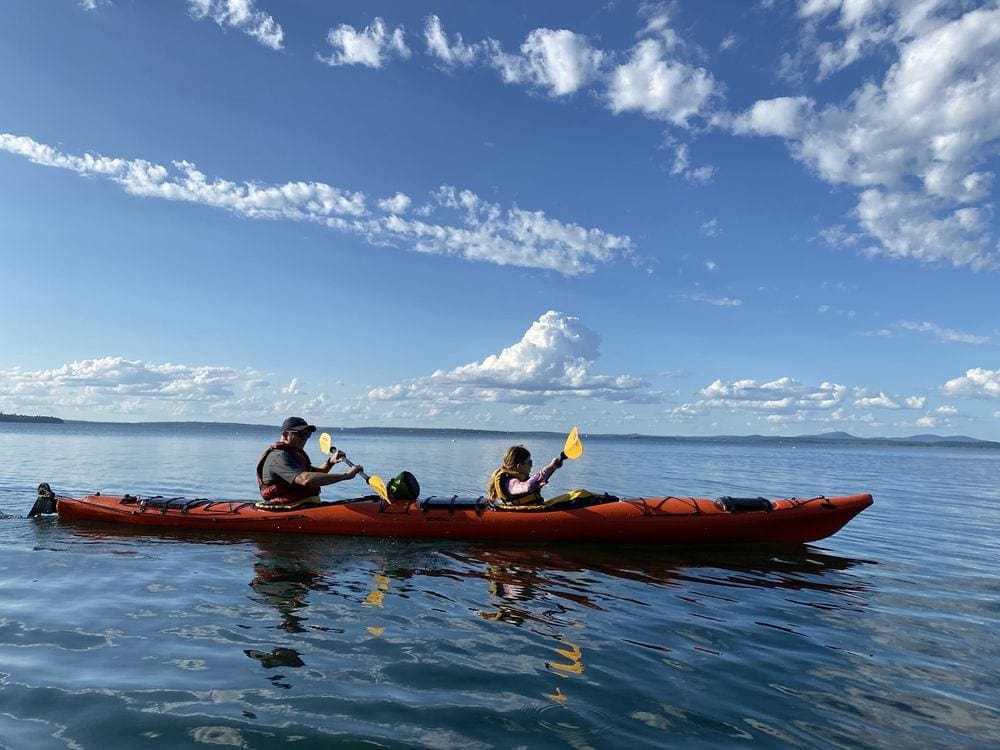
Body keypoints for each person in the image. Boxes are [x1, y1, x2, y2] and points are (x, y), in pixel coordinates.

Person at [256, 417, 364, 507]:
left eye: (307, 434)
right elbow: (306, 479)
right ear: (285, 435)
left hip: (302, 504)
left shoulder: (294, 454)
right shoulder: (279, 457)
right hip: (285, 507)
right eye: (301, 434)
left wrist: (330, 462)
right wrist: (346, 476)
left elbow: (316, 474)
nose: (305, 438)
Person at [487, 445, 564, 507]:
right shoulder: (511, 482)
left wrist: (553, 468)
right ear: (519, 466)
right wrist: (548, 468)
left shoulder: (516, 480)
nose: (531, 465)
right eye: (529, 463)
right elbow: (528, 486)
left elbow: (525, 492)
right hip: (528, 514)